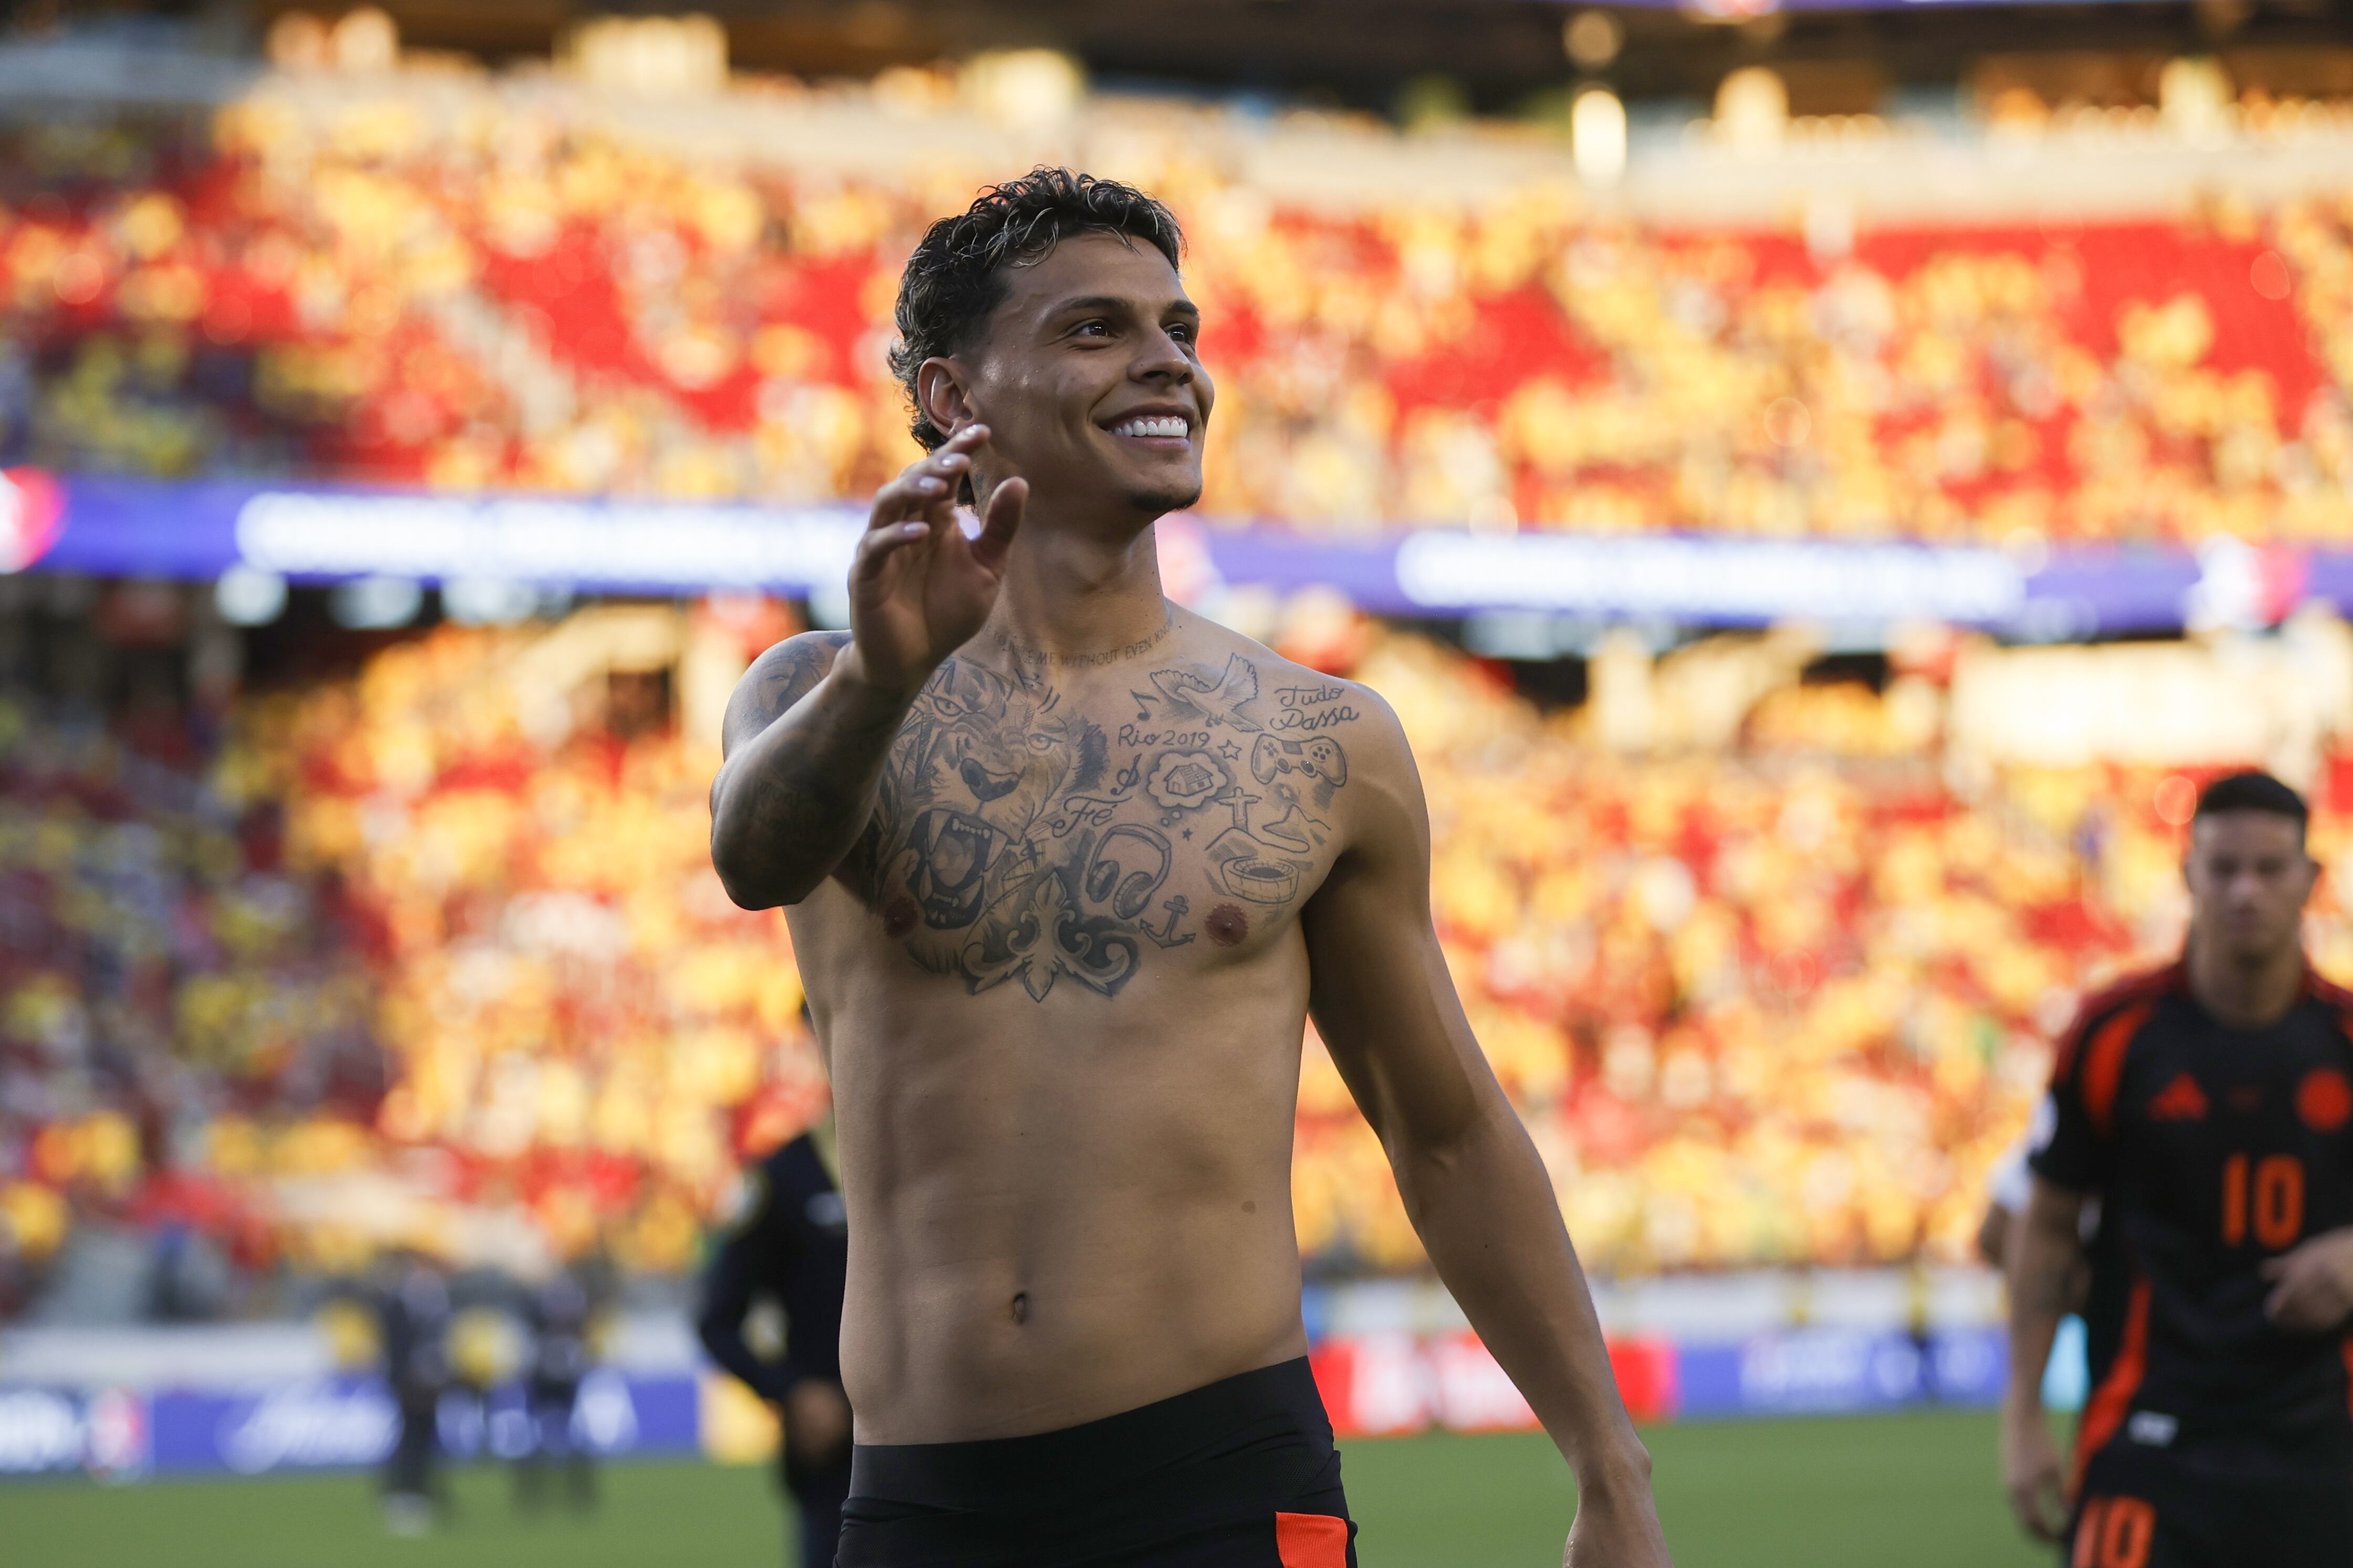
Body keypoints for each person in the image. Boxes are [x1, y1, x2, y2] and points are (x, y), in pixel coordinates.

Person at [708, 168, 1669, 1568]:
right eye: (1098, 328)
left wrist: (1610, 1465)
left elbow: (1445, 1127)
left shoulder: (1322, 738)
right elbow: (754, 854)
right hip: (923, 1500)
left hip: (1222, 1478)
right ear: (955, 394)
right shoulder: (818, 686)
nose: (1169, 362)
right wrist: (881, 678)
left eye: (1181, 328)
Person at [2002, 771, 2353, 1566]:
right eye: (2223, 867)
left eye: (2269, 868)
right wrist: (2022, 1417)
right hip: (2147, 1444)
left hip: (2322, 1451)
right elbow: (2043, 1225)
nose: (2245, 891)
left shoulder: (2345, 1038)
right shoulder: (2113, 1035)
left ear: (2311, 879)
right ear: (2186, 872)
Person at [700, 1117, 855, 1567]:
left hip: (936, 1440)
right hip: (835, 1456)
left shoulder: (936, 1154)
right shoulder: (783, 1175)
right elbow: (718, 1321)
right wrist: (794, 1392)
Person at [376, 1247, 452, 1536]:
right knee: (411, 1436)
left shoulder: (431, 1297)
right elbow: (398, 1346)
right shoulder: (402, 1300)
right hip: (411, 1380)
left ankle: (418, 1492)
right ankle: (403, 1494)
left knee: (423, 1436)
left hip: (429, 1378)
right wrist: (404, 1378)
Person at [516, 1263, 600, 1514]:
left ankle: (536, 1494)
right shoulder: (574, 1299)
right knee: (562, 1434)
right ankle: (574, 1493)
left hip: (551, 1372)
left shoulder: (542, 1298)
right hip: (558, 1371)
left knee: (546, 1434)